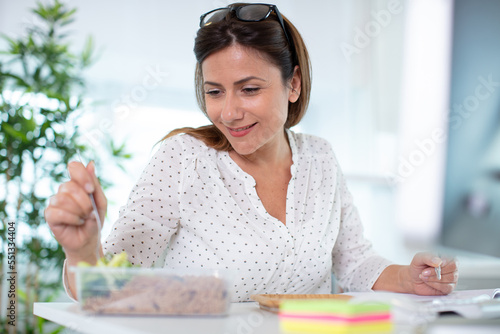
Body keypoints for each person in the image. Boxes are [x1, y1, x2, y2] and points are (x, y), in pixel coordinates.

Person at [44, 3, 458, 302]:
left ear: (293, 84)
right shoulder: (183, 159)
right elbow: (109, 289)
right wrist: (82, 252)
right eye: (214, 92)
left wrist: (409, 278)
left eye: (250, 89)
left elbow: (354, 264)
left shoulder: (320, 158)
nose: (229, 111)